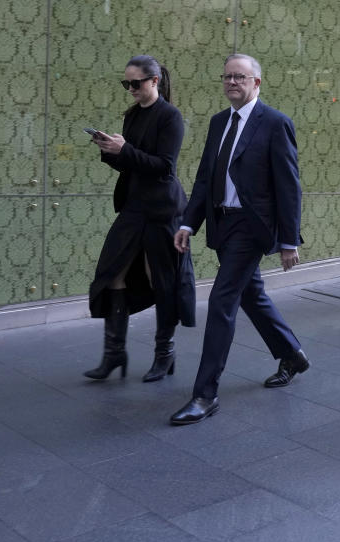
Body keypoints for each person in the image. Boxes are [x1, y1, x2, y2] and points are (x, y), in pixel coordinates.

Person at [170, 53, 306, 426]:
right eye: (227, 77)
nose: (232, 82)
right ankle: (291, 354)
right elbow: (204, 178)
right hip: (222, 224)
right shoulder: (218, 123)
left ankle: (204, 394)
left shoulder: (275, 123)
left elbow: (288, 186)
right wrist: (188, 223)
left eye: (240, 77)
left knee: (221, 300)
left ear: (256, 83)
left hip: (252, 226)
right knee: (252, 294)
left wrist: (288, 240)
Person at [84, 55, 195, 382]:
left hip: (162, 210)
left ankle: (165, 354)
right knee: (111, 274)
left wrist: (125, 150)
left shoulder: (171, 117)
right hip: (133, 208)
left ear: (155, 81)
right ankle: (114, 354)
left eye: (136, 83)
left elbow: (164, 167)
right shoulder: (132, 115)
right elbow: (130, 163)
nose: (130, 88)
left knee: (162, 280)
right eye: (126, 83)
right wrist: (109, 150)